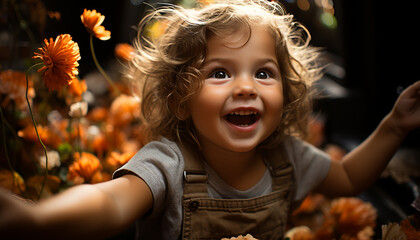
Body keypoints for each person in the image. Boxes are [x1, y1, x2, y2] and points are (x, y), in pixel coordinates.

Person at [1, 0, 420, 239]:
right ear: (181, 99)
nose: (246, 86)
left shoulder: (288, 157)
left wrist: (395, 126)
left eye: (263, 73)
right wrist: (39, 219)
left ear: (286, 94)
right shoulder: (168, 164)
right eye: (220, 72)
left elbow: (347, 179)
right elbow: (110, 201)